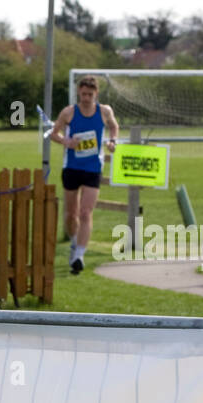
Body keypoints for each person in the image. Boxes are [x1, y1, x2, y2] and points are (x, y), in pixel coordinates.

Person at [49, 74, 119, 275]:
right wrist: (66, 142)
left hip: (92, 168)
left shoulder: (104, 111)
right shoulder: (69, 112)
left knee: (85, 212)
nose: (86, 98)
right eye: (83, 94)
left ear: (96, 93)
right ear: (79, 92)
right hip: (71, 167)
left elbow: (114, 127)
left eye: (90, 94)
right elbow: (54, 133)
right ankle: (74, 241)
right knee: (71, 214)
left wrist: (112, 141)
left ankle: (79, 255)